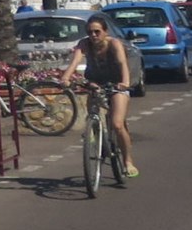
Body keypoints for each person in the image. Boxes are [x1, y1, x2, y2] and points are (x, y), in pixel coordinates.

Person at [59, 16, 139, 177]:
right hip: (96, 81)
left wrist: (125, 82)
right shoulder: (84, 44)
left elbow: (122, 63)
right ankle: (94, 132)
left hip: (117, 83)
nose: (93, 35)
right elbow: (75, 62)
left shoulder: (114, 43)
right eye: (90, 32)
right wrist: (65, 78)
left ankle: (127, 161)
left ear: (105, 32)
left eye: (97, 31)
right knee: (93, 110)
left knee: (117, 124)